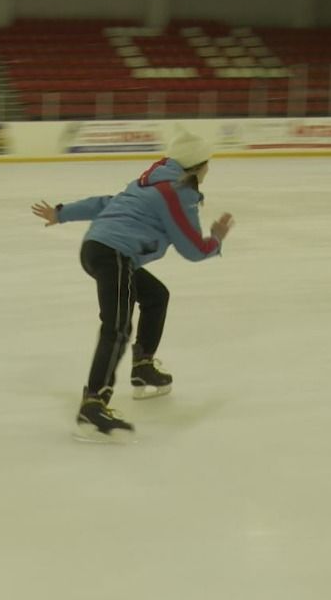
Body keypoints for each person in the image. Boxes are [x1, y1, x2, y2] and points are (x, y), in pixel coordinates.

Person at [31, 132, 234, 441]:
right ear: (197, 166)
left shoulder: (150, 179)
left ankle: (142, 367)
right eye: (207, 164)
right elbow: (192, 248)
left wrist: (62, 213)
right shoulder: (177, 191)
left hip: (96, 248)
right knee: (118, 327)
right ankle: (94, 405)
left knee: (155, 295)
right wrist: (216, 239)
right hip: (115, 253)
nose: (209, 169)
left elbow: (106, 203)